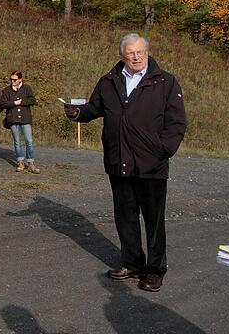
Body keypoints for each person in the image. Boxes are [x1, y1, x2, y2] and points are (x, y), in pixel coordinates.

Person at [64, 33, 186, 293]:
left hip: (152, 164)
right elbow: (94, 108)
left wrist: (163, 150)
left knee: (154, 221)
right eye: (130, 52)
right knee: (125, 217)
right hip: (119, 162)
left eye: (140, 51)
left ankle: (154, 270)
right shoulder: (109, 81)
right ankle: (132, 262)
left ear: (147, 52)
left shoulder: (165, 82)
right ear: (122, 55)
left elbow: (177, 123)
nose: (136, 56)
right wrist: (77, 113)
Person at [0, 70, 40, 174]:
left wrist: (22, 102)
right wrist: (14, 103)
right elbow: (2, 104)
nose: (12, 81)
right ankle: (20, 162)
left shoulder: (27, 88)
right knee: (17, 142)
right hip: (12, 119)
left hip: (25, 119)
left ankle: (31, 163)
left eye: (15, 79)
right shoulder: (6, 90)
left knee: (29, 141)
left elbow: (32, 100)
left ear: (20, 79)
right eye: (11, 79)